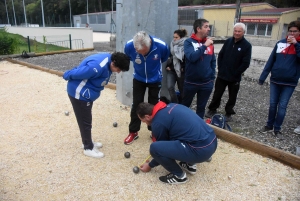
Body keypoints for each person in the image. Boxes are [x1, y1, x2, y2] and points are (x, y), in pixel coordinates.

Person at [136, 97, 218, 184]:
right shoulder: (171, 106)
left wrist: (150, 165)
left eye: (143, 121)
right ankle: (190, 165)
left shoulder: (157, 123)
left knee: (154, 148)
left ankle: (179, 176)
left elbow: (160, 149)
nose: (145, 123)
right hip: (213, 141)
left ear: (147, 116)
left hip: (200, 150)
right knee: (182, 134)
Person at [63, 52, 130, 158]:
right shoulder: (97, 67)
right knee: (85, 121)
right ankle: (88, 148)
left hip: (86, 94)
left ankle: (88, 141)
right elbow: (78, 72)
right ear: (113, 63)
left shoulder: (109, 60)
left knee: (86, 120)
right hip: (79, 93)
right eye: (119, 69)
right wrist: (66, 74)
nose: (118, 72)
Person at [123, 31, 169, 145]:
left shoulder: (161, 46)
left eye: (144, 53)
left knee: (155, 107)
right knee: (136, 104)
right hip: (138, 78)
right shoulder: (129, 46)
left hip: (155, 79)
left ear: (149, 44)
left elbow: (163, 59)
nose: (142, 55)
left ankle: (154, 131)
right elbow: (129, 57)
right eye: (139, 53)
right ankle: (133, 131)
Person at [259, 20, 300, 138]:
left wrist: (296, 44)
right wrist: (263, 77)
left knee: (282, 106)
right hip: (275, 80)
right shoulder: (280, 43)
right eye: (290, 31)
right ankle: (269, 125)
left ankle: (277, 128)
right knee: (272, 104)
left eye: (295, 31)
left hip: (290, 82)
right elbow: (271, 60)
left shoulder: (299, 46)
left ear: (299, 32)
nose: (292, 33)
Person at [205, 23, 252, 122]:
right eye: (235, 30)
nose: (237, 33)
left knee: (232, 96)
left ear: (243, 32)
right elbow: (221, 55)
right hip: (222, 74)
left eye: (239, 31)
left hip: (234, 77)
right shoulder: (228, 41)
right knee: (217, 93)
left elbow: (246, 63)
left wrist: (236, 73)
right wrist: (220, 68)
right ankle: (212, 109)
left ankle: (229, 112)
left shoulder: (247, 45)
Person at [182, 18, 216, 119]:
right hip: (191, 83)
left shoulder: (209, 43)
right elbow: (192, 57)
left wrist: (212, 76)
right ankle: (182, 126)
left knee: (201, 108)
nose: (208, 29)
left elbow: (213, 60)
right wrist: (205, 46)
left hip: (206, 83)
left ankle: (198, 129)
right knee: (185, 106)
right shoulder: (188, 42)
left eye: (208, 26)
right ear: (198, 29)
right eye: (206, 27)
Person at [166, 29, 188, 103]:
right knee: (170, 87)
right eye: (174, 37)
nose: (174, 39)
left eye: (176, 37)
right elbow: (169, 56)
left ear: (181, 37)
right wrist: (167, 65)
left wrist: (183, 68)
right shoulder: (172, 44)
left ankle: (182, 105)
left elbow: (187, 59)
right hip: (171, 70)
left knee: (182, 89)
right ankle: (175, 103)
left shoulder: (186, 45)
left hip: (181, 70)